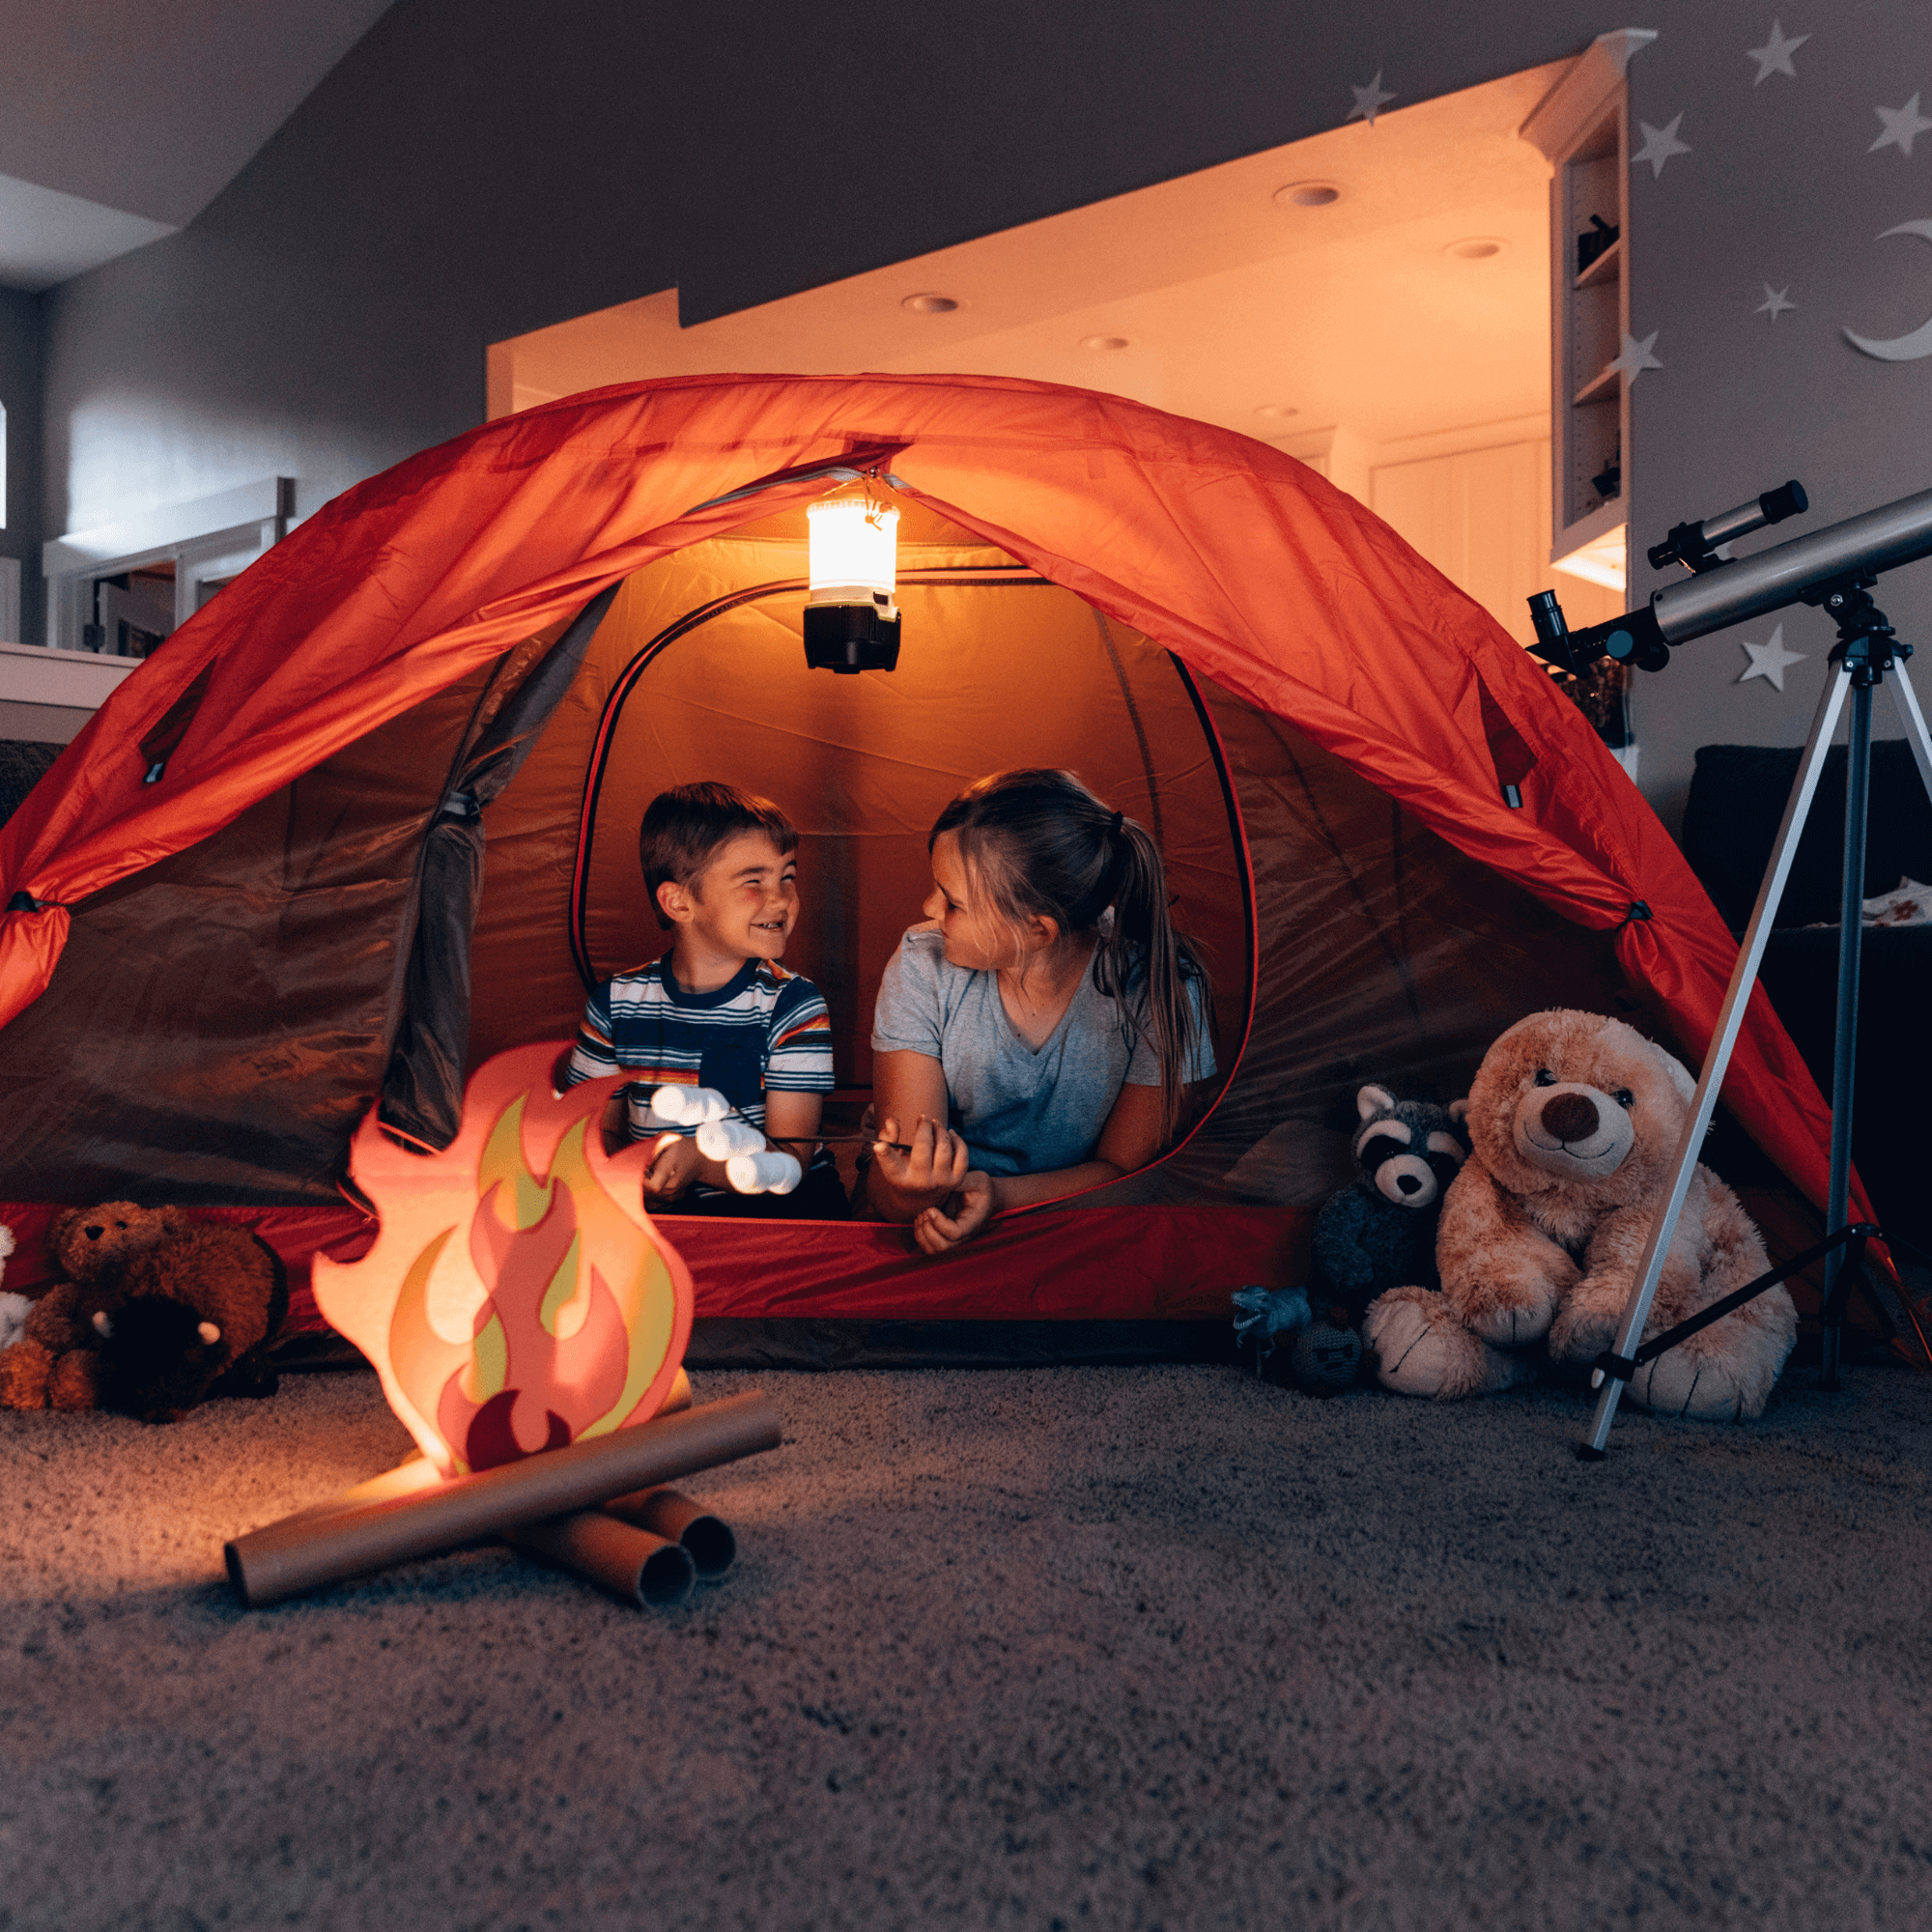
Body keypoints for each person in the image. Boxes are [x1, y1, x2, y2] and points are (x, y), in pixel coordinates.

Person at [864, 768, 1214, 1253]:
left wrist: (1000, 1197)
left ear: (1036, 931)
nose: (928, 908)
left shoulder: (1161, 988)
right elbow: (900, 1182)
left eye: (953, 903)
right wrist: (915, 1190)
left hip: (1084, 1221)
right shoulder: (923, 965)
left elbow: (1125, 1177)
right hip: (943, 1212)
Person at [561, 781, 846, 1217]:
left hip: (778, 1221)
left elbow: (791, 1161)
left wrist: (698, 1162)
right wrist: (635, 1172)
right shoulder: (615, 1004)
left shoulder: (794, 1006)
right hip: (665, 1226)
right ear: (679, 902)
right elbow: (597, 1133)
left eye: (788, 876)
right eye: (754, 882)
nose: (782, 899)